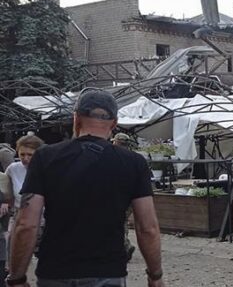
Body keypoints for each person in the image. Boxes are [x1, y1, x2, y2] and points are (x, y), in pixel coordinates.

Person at [7, 88, 164, 287]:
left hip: (55, 271)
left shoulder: (45, 157)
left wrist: (17, 277)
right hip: (107, 271)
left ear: (76, 119)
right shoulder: (133, 163)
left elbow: (26, 224)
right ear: (114, 124)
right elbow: (147, 227)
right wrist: (155, 276)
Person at [112, 132, 139, 261]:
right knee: (122, 221)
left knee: (117, 222)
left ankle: (125, 246)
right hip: (131, 196)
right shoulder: (134, 158)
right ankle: (124, 245)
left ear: (116, 142)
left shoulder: (112, 157)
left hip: (117, 195)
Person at [5, 133, 45, 212]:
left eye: (30, 155)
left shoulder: (48, 169)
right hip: (19, 215)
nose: (25, 158)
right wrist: (4, 202)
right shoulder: (13, 168)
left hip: (44, 217)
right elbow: (4, 190)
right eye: (22, 154)